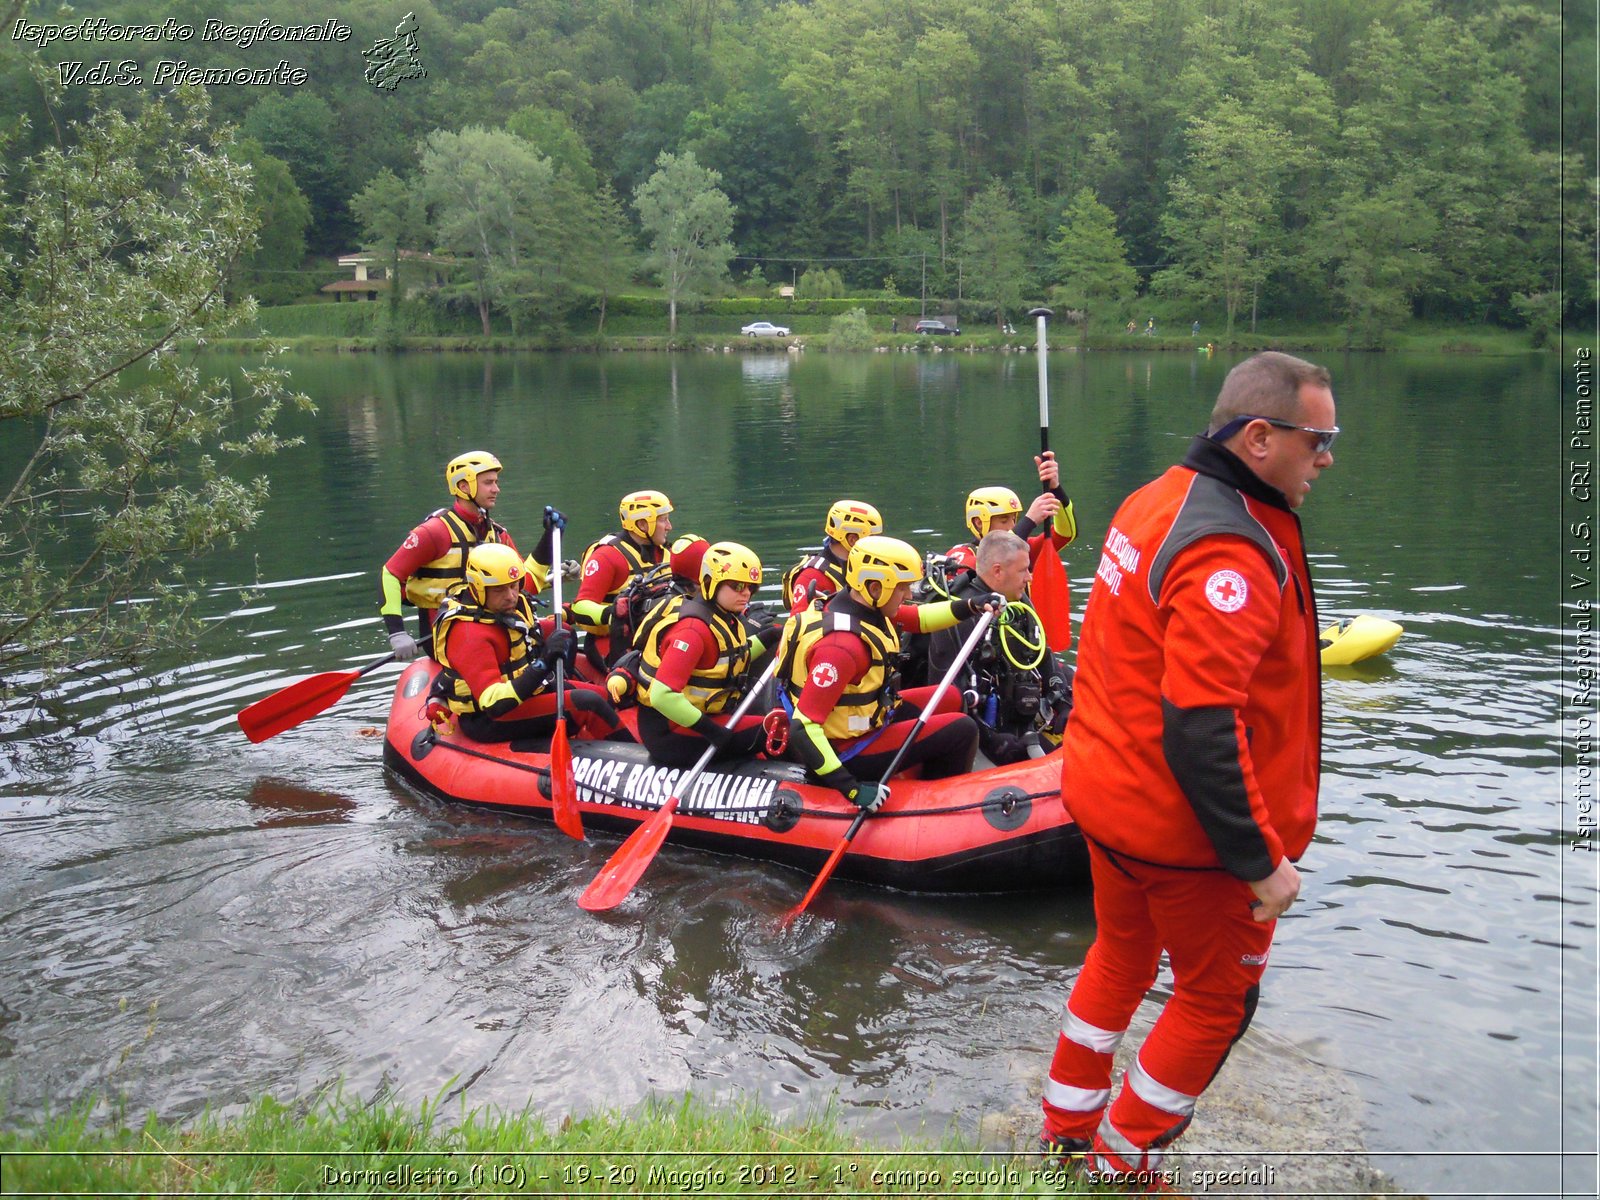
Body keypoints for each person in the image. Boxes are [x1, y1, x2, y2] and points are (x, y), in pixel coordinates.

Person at [1037, 351, 1338, 1184]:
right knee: (1214, 1003)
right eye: (1319, 439)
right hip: (1185, 834)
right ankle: (1120, 1168)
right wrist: (1260, 861)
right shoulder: (1229, 550)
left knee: (1120, 959)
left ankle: (1064, 1135)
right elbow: (1203, 722)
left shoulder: (1155, 498)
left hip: (1106, 797)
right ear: (1259, 437)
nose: (1328, 457)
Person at [777, 535, 1001, 811]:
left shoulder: (861, 605)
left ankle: (917, 775)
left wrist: (971, 606)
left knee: (952, 697)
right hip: (846, 752)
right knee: (962, 729)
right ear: (874, 586)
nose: (908, 595)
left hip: (865, 721)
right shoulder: (841, 647)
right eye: (902, 587)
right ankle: (937, 807)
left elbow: (921, 619)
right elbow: (803, 728)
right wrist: (852, 789)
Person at [429, 544, 623, 744]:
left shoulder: (506, 600)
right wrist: (544, 662)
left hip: (529, 692)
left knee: (607, 697)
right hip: (489, 718)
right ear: (478, 587)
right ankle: (638, 763)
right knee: (588, 704)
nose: (511, 596)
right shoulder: (468, 633)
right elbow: (494, 703)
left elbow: (534, 574)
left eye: (514, 586)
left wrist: (550, 533)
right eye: (500, 589)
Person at [379, 450, 563, 661]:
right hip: (444, 634)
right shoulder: (434, 532)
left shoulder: (496, 533)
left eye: (496, 482)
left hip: (491, 624)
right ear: (463, 486)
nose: (496, 489)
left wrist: (550, 539)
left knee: (561, 631)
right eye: (488, 483)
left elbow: (524, 584)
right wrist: (397, 632)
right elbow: (390, 574)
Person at [632, 541, 786, 768]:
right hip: (670, 732)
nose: (746, 594)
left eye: (752, 588)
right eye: (737, 585)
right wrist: (713, 732)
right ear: (710, 583)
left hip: (700, 718)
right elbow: (661, 695)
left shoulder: (723, 616)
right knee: (777, 730)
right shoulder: (693, 631)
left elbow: (729, 658)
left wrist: (769, 638)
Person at [926, 531, 1071, 765]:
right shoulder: (960, 615)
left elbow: (1043, 655)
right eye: (1024, 570)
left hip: (1020, 726)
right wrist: (992, 740)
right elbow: (948, 698)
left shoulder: (1020, 602)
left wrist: (1063, 703)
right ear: (997, 571)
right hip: (980, 739)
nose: (1030, 578)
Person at [569, 490, 674, 674]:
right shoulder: (608, 556)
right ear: (642, 524)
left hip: (651, 637)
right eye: (663, 520)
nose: (669, 526)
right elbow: (580, 608)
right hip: (613, 643)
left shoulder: (666, 553)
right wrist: (616, 614)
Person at [942, 451, 1078, 584]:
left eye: (1014, 519)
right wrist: (1029, 520)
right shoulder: (960, 556)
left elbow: (1066, 534)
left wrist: (1055, 489)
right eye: (1004, 520)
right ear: (979, 523)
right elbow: (991, 562)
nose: (1012, 526)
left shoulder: (1023, 551)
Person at [781, 499, 884, 613]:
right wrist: (826, 610)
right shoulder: (811, 576)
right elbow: (796, 626)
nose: (877, 545)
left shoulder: (866, 569)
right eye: (872, 538)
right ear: (852, 540)